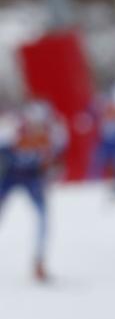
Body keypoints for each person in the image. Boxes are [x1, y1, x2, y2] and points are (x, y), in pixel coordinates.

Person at [0, 96, 67, 281]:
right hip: (9, 178)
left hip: (33, 179)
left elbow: (57, 161)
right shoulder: (12, 131)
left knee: (43, 219)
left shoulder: (53, 135)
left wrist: (51, 172)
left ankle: (39, 261)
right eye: (33, 123)